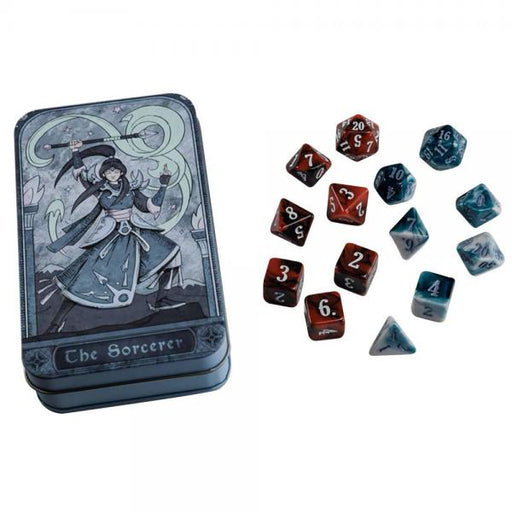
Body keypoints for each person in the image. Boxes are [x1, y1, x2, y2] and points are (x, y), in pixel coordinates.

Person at [46, 140, 183, 333]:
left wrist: (163, 184)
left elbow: (149, 206)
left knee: (172, 253)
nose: (113, 174)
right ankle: (56, 323)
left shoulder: (131, 190)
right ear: (103, 174)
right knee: (84, 276)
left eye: (116, 171)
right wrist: (75, 151)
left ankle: (161, 299)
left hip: (135, 233)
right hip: (110, 236)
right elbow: (81, 174)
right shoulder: (99, 189)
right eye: (109, 171)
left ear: (121, 172)